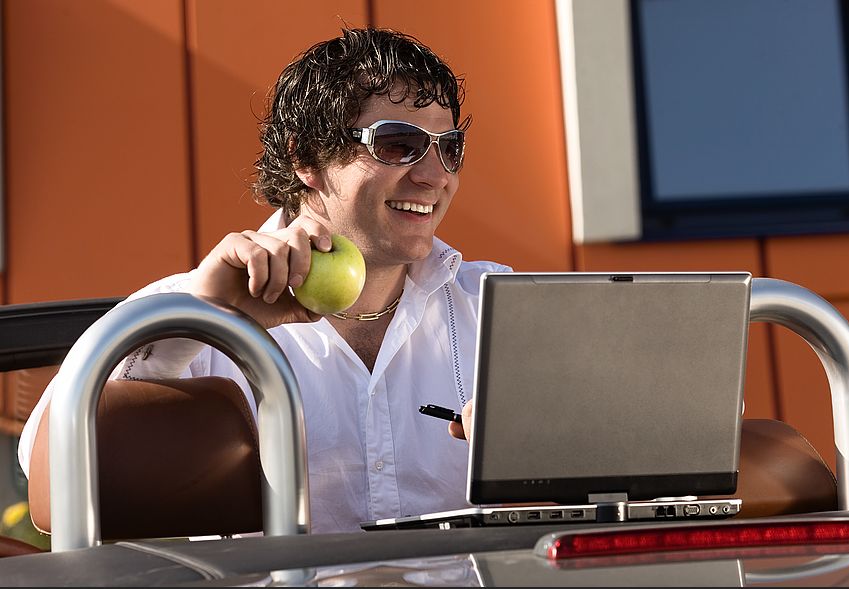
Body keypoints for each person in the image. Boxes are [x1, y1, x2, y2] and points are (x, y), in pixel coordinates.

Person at [17, 27, 509, 534]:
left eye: (449, 148)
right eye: (398, 144)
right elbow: (56, 492)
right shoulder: (189, 306)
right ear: (306, 159)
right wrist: (200, 320)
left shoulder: (499, 310)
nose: (434, 175)